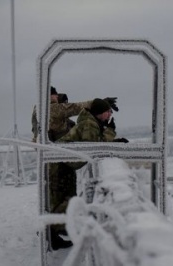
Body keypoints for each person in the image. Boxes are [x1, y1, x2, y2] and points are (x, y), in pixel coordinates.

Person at [48, 98, 128, 250]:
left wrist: (112, 140)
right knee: (64, 200)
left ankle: (58, 228)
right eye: (108, 112)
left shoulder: (90, 122)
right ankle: (50, 232)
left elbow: (94, 142)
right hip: (60, 164)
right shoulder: (90, 124)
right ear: (100, 113)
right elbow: (94, 147)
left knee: (67, 198)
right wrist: (110, 132)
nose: (110, 114)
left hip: (64, 163)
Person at [31, 86, 118, 143]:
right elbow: (75, 107)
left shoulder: (39, 109)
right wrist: (100, 103)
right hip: (55, 151)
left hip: (49, 148)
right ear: (48, 96)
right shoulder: (51, 108)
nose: (57, 97)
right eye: (54, 94)